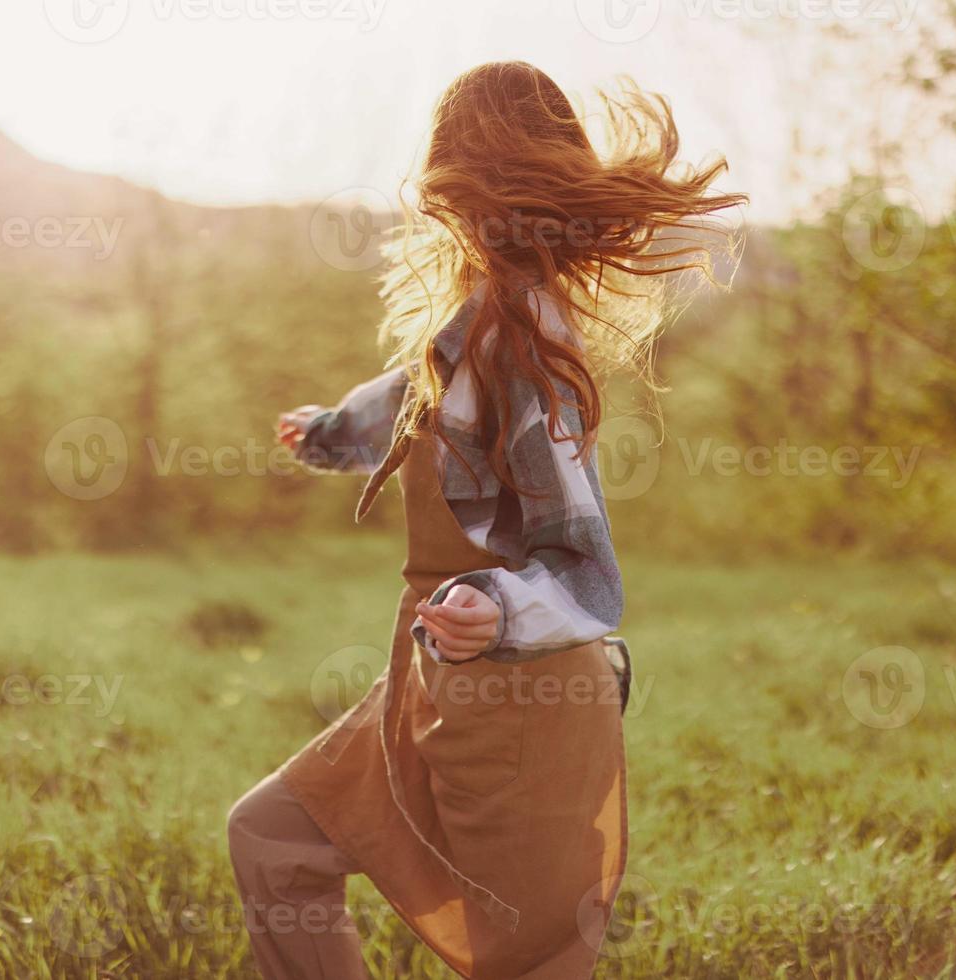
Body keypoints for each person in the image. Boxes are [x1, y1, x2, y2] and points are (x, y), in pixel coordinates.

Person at [228, 60, 744, 979]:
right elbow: (418, 396)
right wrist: (332, 432)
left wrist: (499, 610)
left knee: (529, 959)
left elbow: (589, 571)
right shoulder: (478, 322)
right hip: (435, 676)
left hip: (522, 699)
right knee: (274, 840)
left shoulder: (529, 349)